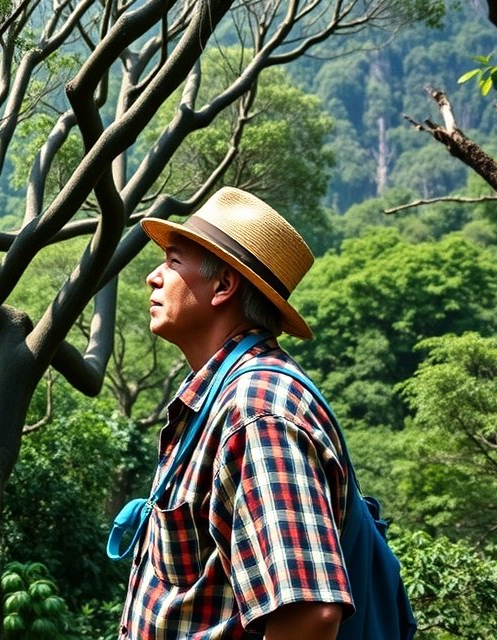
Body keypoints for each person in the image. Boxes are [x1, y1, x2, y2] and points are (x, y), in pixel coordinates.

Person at [118, 187, 353, 639]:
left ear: (224, 286)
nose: (153, 276)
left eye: (173, 261)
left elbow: (308, 614)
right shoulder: (220, 397)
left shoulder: (258, 411)